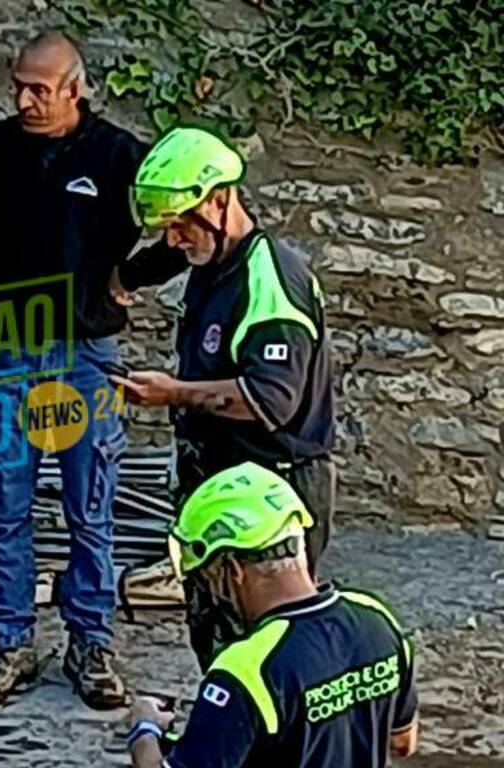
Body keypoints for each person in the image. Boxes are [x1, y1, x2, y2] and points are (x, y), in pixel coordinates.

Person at [0, 32, 147, 710]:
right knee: (7, 506)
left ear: (76, 89)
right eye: (18, 85)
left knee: (88, 506)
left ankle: (91, 642)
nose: (24, 99)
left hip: (84, 353)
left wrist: (126, 277)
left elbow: (175, 217)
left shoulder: (115, 154)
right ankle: (10, 643)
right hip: (9, 349)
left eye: (39, 88)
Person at [113, 125, 336, 668]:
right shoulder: (213, 261)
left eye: (180, 225)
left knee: (270, 647)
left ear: (219, 200)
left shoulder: (269, 279)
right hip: (222, 482)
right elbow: (158, 260)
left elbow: (270, 401)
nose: (173, 239)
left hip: (274, 489)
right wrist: (120, 279)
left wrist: (174, 394)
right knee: (217, 634)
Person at [124, 462, 419, 768]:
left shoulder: (245, 671)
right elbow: (403, 741)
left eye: (209, 578)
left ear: (234, 570)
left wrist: (144, 728)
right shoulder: (377, 617)